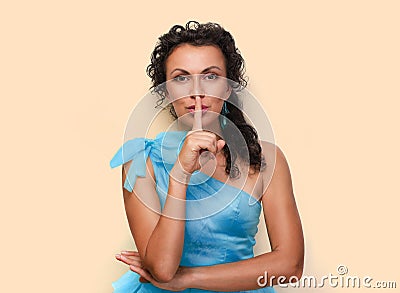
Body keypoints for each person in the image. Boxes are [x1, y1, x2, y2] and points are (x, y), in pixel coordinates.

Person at [110, 21, 304, 292]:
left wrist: (188, 278)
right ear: (166, 93)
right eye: (181, 78)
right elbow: (163, 269)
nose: (196, 91)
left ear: (227, 89)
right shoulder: (141, 160)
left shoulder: (266, 159)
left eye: (211, 76)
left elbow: (290, 265)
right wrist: (179, 175)